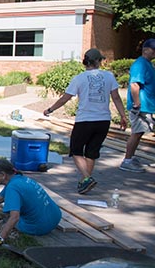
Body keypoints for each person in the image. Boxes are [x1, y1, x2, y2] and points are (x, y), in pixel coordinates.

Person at [44, 48, 127, 192]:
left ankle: (87, 178)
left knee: (76, 151)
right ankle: (85, 181)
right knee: (91, 152)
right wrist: (123, 116)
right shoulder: (109, 76)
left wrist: (50, 110)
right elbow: (116, 98)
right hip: (103, 121)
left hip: (85, 120)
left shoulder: (79, 78)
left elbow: (65, 98)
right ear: (97, 61)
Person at [0, 158, 61, 246]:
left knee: (8, 220)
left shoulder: (12, 188)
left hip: (41, 227)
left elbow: (15, 217)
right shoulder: (19, 179)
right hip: (56, 217)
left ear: (3, 175)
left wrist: (0, 238)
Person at [120, 38, 155, 173]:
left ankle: (130, 158)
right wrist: (137, 104)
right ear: (145, 49)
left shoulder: (147, 64)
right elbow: (134, 85)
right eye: (153, 50)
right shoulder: (140, 64)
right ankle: (127, 161)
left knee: (139, 133)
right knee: (136, 133)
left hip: (147, 106)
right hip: (141, 107)